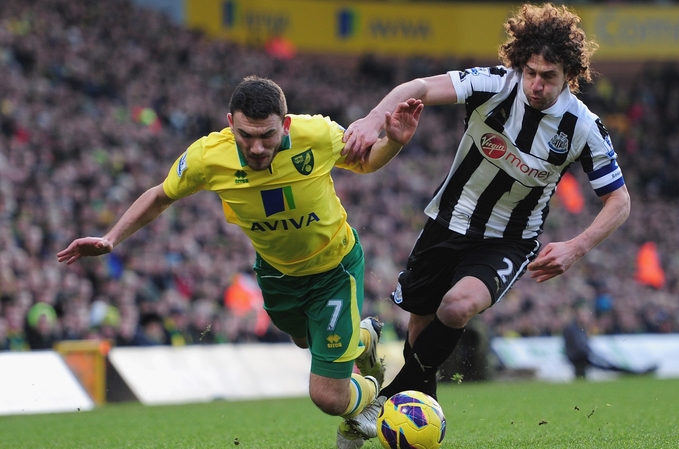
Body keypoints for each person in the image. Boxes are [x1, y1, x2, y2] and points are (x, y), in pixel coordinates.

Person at [56, 76, 424, 448]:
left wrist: (393, 141)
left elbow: (367, 162)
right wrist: (111, 238)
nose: (258, 147)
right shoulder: (207, 156)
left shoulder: (319, 135)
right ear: (230, 123)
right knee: (302, 341)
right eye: (247, 135)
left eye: (267, 135)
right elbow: (160, 196)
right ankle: (362, 338)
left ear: (286, 124)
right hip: (277, 273)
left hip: (334, 269)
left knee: (328, 397)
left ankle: (372, 395)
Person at [339, 3, 631, 442]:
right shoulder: (493, 84)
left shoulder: (583, 127)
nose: (536, 84)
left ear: (569, 74)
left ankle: (382, 404)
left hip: (509, 239)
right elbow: (417, 86)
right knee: (418, 335)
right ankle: (411, 431)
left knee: (456, 307)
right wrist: (373, 118)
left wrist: (576, 246)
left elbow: (619, 200)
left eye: (549, 77)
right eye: (531, 71)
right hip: (446, 221)